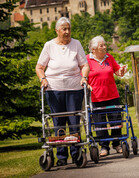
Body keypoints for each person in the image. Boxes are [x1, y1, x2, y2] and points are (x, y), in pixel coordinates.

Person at [35, 17, 90, 166]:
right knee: (58, 122)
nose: (67, 32)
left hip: (74, 88)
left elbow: (84, 65)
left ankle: (76, 152)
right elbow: (39, 67)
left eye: (69, 29)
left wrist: (84, 77)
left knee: (74, 121)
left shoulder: (76, 44)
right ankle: (61, 156)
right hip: (54, 89)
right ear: (57, 30)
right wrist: (43, 79)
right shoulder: (49, 46)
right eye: (64, 29)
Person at [87, 35, 127, 157]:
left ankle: (116, 144)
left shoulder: (109, 57)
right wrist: (88, 85)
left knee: (116, 121)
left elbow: (117, 71)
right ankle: (104, 147)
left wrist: (121, 71)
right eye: (101, 45)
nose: (105, 47)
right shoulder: (87, 60)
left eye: (105, 45)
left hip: (112, 95)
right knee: (100, 124)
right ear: (93, 49)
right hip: (96, 97)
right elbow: (82, 77)